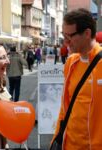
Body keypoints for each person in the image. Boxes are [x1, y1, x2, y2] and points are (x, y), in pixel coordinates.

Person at [51, 8, 102, 149]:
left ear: (87, 33)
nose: (65, 41)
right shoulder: (71, 62)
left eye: (69, 36)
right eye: (63, 36)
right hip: (70, 144)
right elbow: (64, 107)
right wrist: (56, 137)